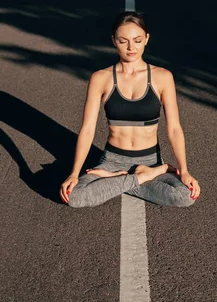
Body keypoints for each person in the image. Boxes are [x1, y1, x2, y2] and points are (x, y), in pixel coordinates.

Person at [60, 11, 200, 208]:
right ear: (113, 41)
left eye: (137, 40)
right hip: (112, 161)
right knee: (73, 196)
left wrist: (184, 170)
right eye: (123, 41)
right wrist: (74, 173)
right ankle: (143, 177)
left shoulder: (162, 77)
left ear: (146, 39)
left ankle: (121, 179)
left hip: (150, 160)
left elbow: (175, 128)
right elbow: (88, 129)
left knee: (186, 196)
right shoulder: (101, 78)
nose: (131, 47)